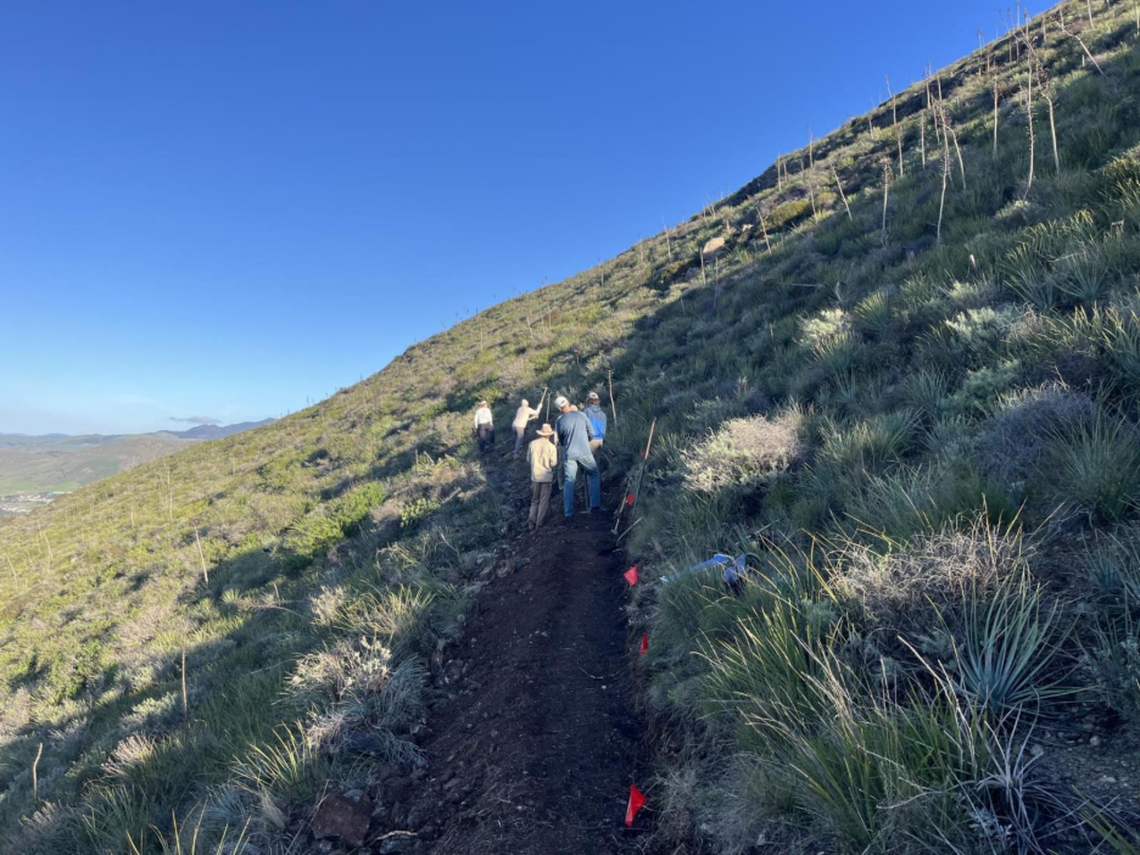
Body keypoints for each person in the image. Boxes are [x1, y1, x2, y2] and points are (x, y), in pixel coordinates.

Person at [554, 395, 600, 518]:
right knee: (594, 474)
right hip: (584, 451)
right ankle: (595, 506)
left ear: (559, 409)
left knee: (569, 481)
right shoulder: (582, 415)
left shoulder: (559, 421)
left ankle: (568, 512)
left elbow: (561, 440)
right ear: (568, 403)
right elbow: (592, 434)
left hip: (569, 454)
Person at [526, 423, 558, 530]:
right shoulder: (551, 447)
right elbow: (553, 463)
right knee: (543, 500)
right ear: (549, 434)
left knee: (534, 500)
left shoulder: (532, 444)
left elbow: (528, 459)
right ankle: (539, 523)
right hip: (546, 476)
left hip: (535, 476)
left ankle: (531, 521)